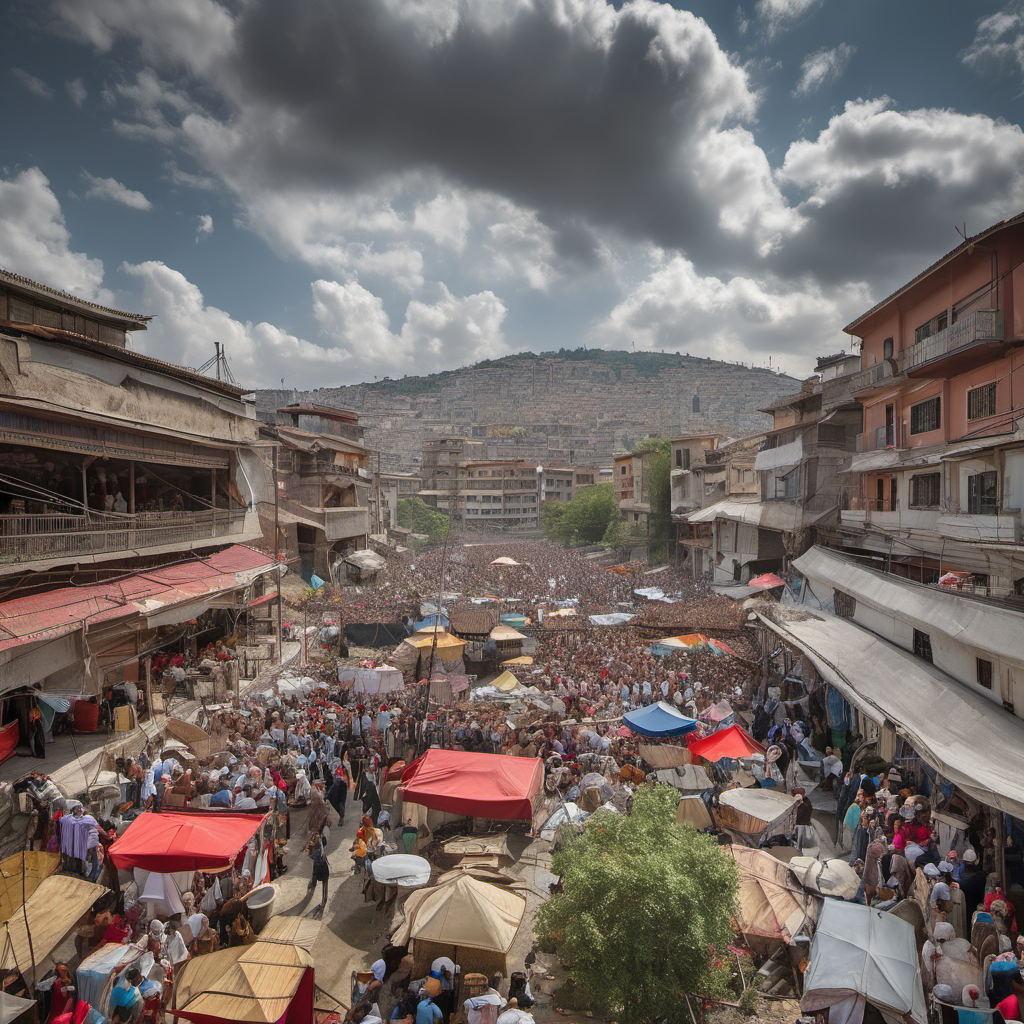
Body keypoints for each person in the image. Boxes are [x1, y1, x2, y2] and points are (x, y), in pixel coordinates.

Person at [307, 830, 330, 914]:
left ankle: (324, 901)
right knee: (321, 880)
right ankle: (313, 883)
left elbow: (311, 856)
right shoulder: (320, 843)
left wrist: (309, 850)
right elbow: (324, 842)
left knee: (324, 882)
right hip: (321, 865)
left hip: (321, 867)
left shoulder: (317, 850)